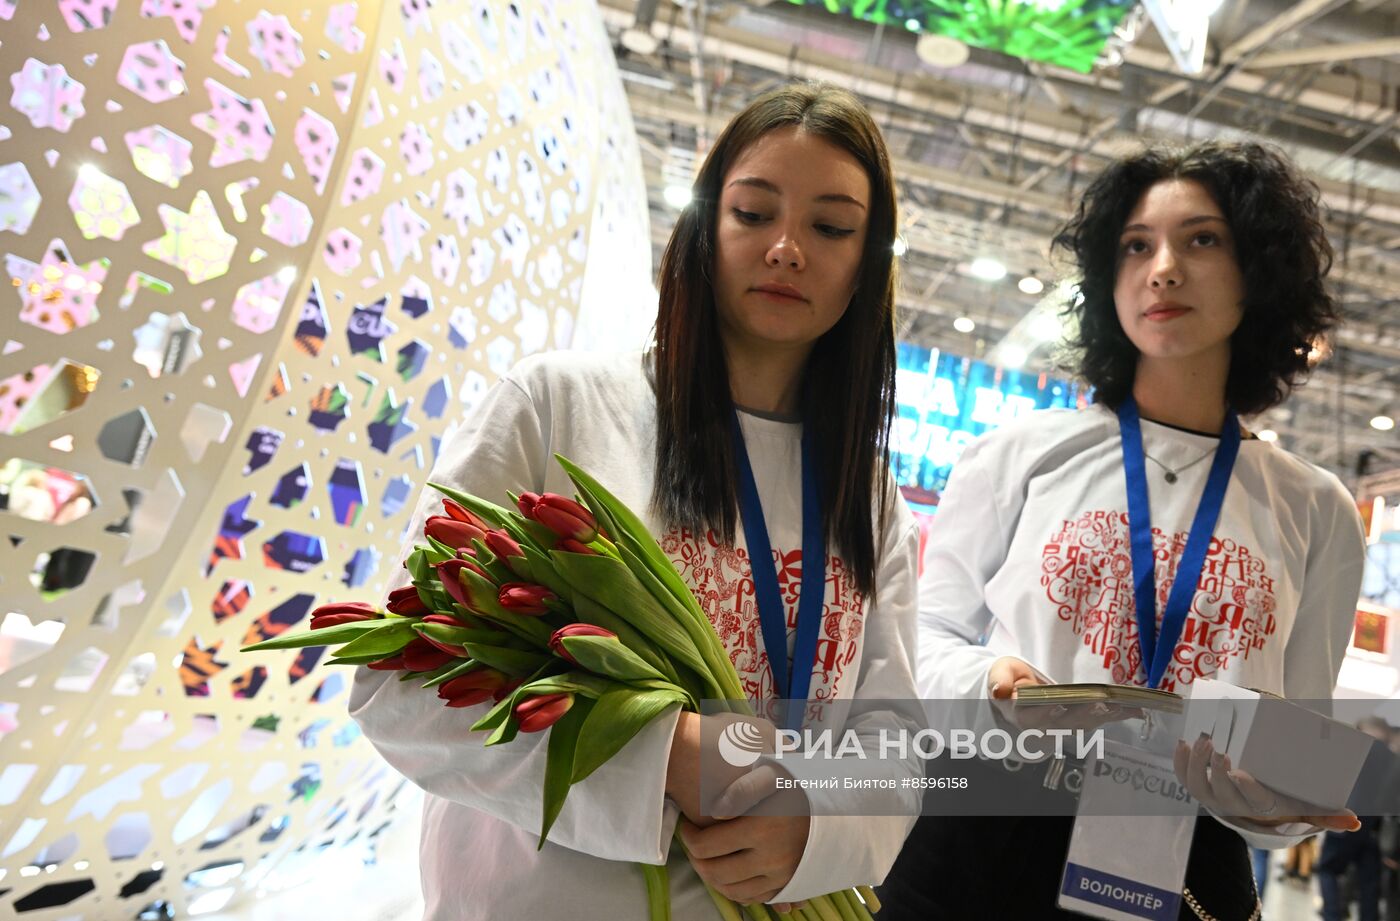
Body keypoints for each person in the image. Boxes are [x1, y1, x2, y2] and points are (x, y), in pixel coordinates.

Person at [349, 82, 922, 921]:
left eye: (831, 227)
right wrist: (658, 760)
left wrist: (816, 828)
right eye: (753, 213)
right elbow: (398, 686)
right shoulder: (557, 406)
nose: (787, 249)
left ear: (868, 265)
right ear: (703, 227)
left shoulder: (867, 498)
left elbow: (895, 752)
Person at [878, 140, 1367, 919]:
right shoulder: (1020, 454)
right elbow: (918, 645)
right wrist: (991, 680)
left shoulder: (1316, 507)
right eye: (1137, 245)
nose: (1163, 268)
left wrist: (1281, 806)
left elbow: (1300, 739)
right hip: (988, 831)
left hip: (1189, 859)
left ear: (1259, 270)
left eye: (1201, 240)